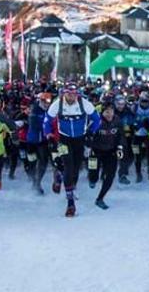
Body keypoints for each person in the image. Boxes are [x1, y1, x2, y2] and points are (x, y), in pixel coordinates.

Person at [44, 83, 99, 217]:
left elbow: (97, 119)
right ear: (64, 93)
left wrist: (91, 133)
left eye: (74, 94)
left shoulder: (84, 103)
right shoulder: (57, 104)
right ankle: (70, 204)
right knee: (68, 166)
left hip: (80, 139)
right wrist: (48, 134)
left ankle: (60, 176)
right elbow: (47, 120)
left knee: (75, 169)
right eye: (68, 94)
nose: (71, 96)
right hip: (64, 139)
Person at [86, 101, 124, 209]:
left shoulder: (117, 121)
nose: (109, 114)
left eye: (111, 111)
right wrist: (88, 146)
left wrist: (120, 147)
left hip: (111, 151)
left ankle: (100, 198)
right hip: (96, 151)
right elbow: (88, 134)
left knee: (110, 175)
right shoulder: (96, 121)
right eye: (106, 112)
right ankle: (92, 179)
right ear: (102, 112)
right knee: (94, 175)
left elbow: (121, 135)